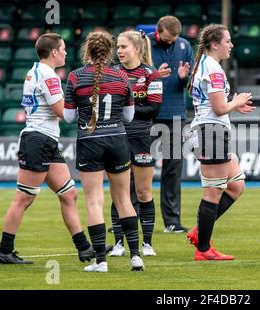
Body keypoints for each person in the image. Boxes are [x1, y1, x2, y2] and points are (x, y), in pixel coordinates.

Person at [0, 33, 94, 264]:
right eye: (63, 49)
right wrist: (89, 110)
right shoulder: (48, 75)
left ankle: (84, 248)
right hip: (39, 139)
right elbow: (62, 112)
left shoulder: (35, 71)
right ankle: (5, 251)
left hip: (44, 139)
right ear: (54, 52)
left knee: (69, 194)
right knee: (24, 198)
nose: (66, 52)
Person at [64, 31, 144, 272]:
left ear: (87, 51)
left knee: (94, 201)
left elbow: (68, 117)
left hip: (90, 142)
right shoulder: (122, 77)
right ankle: (136, 257)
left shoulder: (75, 77)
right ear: (109, 52)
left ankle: (101, 261)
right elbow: (129, 116)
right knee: (123, 199)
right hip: (118, 141)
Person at [187, 24, 254, 260]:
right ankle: (203, 249)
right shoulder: (213, 69)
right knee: (213, 192)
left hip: (212, 129)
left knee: (236, 186)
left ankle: (200, 232)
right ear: (215, 44)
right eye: (228, 41)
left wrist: (232, 105)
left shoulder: (204, 65)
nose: (232, 45)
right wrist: (235, 102)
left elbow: (212, 105)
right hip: (211, 132)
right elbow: (218, 108)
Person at [107, 30, 162, 257]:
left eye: (123, 47)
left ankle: (147, 244)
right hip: (116, 136)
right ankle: (119, 243)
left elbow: (154, 109)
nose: (119, 51)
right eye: (117, 47)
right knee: (119, 193)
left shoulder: (151, 74)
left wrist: (125, 110)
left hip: (141, 137)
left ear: (137, 49)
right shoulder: (113, 73)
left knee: (143, 191)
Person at [147, 16, 194, 233]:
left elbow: (192, 85)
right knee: (135, 167)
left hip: (175, 114)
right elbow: (131, 76)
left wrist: (185, 78)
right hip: (146, 114)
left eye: (174, 39)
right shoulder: (143, 44)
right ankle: (124, 217)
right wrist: (155, 75)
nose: (171, 42)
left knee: (173, 170)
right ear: (158, 32)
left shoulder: (184, 46)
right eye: (167, 39)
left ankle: (172, 222)